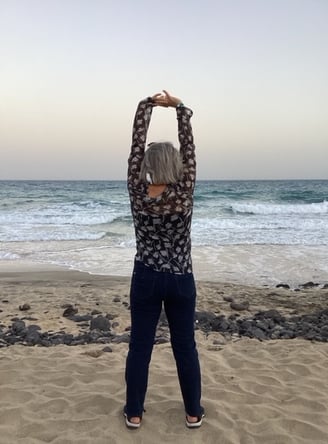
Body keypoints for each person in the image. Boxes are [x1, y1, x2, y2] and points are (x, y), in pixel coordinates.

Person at [124, 90, 204, 429]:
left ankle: (134, 413)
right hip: (181, 278)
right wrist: (179, 109)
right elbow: (189, 148)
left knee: (141, 345)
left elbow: (135, 144)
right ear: (177, 166)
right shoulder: (184, 189)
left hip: (145, 276)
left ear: (145, 166)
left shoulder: (136, 191)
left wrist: (146, 106)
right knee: (184, 346)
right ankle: (193, 413)